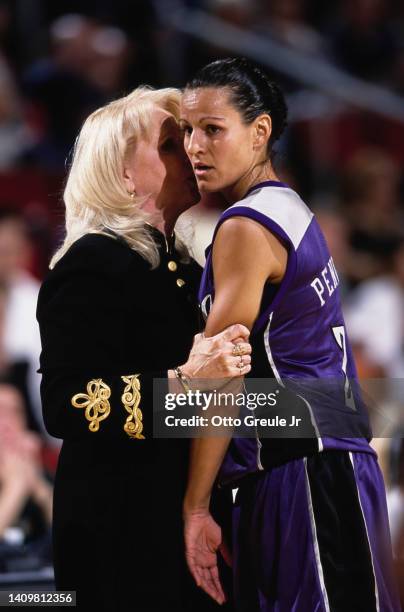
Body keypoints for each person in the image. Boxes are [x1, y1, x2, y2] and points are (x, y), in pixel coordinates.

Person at [179, 57, 400, 611]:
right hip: (332, 459)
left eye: (212, 130)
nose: (194, 147)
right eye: (186, 131)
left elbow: (220, 377)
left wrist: (196, 507)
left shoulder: (246, 226)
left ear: (260, 132)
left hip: (305, 470)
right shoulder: (289, 207)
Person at [36, 86, 251, 611]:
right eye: (173, 142)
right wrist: (183, 381)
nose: (195, 151)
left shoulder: (183, 268)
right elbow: (67, 404)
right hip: (119, 532)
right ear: (122, 173)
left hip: (177, 520)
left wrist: (336, 411)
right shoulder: (91, 263)